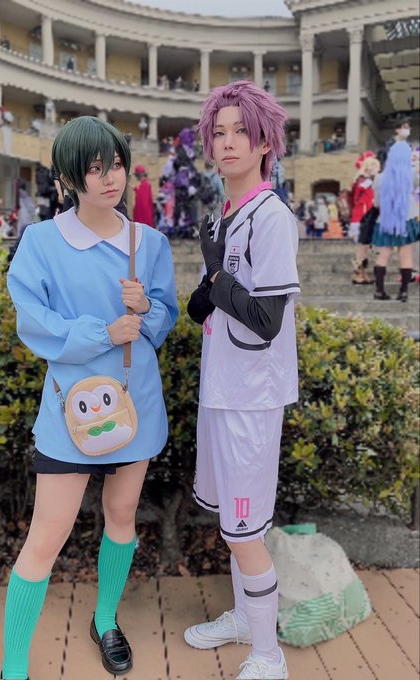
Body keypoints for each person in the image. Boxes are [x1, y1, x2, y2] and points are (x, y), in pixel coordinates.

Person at [3, 115, 178, 680]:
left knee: (122, 515)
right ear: (69, 178)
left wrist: (146, 309)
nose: (110, 178)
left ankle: (106, 620)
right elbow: (33, 321)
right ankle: (13, 666)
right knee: (46, 535)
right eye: (95, 168)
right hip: (68, 407)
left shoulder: (148, 243)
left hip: (134, 401)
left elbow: (165, 318)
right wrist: (103, 332)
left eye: (117, 165)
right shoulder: (42, 241)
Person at [183, 80, 300, 680]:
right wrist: (205, 289)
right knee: (233, 523)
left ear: (264, 142)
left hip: (252, 398)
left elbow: (266, 319)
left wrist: (215, 277)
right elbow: (206, 308)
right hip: (220, 390)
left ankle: (268, 655)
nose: (228, 143)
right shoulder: (223, 215)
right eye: (219, 132)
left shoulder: (271, 217)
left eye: (241, 132)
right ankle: (242, 620)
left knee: (246, 528)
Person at [372, 140, 419, 302]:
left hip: (386, 221)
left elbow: (376, 204)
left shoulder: (379, 178)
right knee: (406, 256)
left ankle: (379, 290)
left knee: (383, 255)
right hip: (407, 219)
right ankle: (403, 292)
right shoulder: (411, 174)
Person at [348, 152, 380, 284]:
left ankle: (362, 273)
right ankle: (358, 274)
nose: (376, 168)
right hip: (362, 216)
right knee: (362, 247)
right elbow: (361, 191)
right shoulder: (362, 180)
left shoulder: (368, 180)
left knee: (365, 247)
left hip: (369, 216)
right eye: (374, 165)